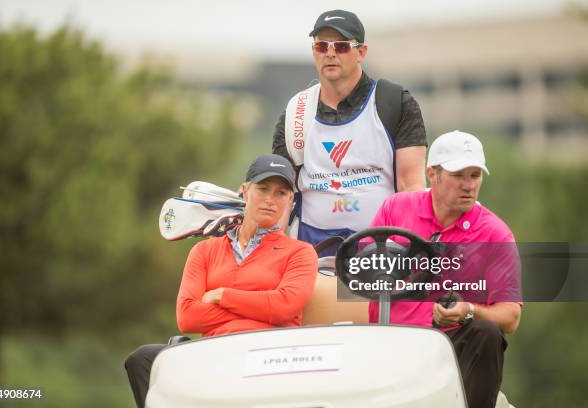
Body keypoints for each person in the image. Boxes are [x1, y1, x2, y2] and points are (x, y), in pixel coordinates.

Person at [124, 154, 318, 408]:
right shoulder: (205, 251)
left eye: (281, 193)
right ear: (245, 191)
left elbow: (284, 307)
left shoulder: (300, 252)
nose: (271, 200)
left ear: (290, 200)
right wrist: (260, 309)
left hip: (269, 356)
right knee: (143, 359)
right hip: (213, 353)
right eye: (262, 189)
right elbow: (188, 317)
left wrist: (223, 295)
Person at [368, 130, 522, 408]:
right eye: (458, 175)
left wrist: (468, 310)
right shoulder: (396, 208)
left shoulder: (495, 234)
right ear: (433, 175)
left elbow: (511, 317)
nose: (468, 185)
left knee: (487, 331)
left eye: (475, 175)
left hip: (452, 349)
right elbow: (359, 267)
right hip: (391, 343)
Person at [272, 9, 427, 246]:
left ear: (361, 52)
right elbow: (280, 190)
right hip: (310, 247)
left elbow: (411, 188)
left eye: (341, 46)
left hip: (380, 247)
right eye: (322, 46)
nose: (330, 53)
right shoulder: (296, 110)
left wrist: (404, 251)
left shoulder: (395, 102)